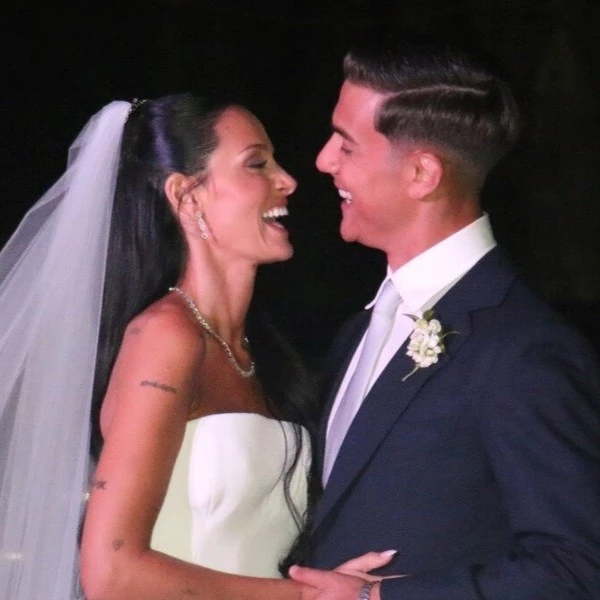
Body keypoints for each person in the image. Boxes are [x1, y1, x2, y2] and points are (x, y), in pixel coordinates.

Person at [0, 94, 388, 600]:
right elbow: (111, 572)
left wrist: (328, 580)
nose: (288, 180)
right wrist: (313, 597)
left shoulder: (266, 354)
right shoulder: (166, 337)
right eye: (257, 164)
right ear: (186, 196)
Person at [289, 41, 600, 599]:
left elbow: (579, 567)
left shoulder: (524, 350)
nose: (323, 160)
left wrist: (378, 598)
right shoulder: (358, 330)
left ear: (421, 173)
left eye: (346, 144)